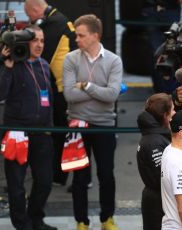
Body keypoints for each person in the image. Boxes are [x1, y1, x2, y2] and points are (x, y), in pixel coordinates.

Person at [0, 25, 57, 230]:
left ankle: (36, 219)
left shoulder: (45, 65)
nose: (39, 45)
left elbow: (50, 100)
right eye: (35, 40)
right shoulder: (13, 64)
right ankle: (22, 225)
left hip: (42, 133)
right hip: (17, 133)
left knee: (45, 181)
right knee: (16, 186)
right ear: (24, 42)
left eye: (42, 41)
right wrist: (7, 67)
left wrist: (50, 128)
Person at [62, 14, 122, 230]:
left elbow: (113, 95)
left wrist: (86, 86)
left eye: (81, 35)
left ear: (95, 36)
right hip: (78, 125)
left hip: (105, 125)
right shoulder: (71, 59)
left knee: (106, 174)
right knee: (79, 177)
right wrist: (100, 91)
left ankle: (107, 218)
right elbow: (69, 95)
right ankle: (81, 221)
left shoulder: (114, 60)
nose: (76, 39)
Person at [24, 0, 78, 187]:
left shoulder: (55, 24)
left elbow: (39, 55)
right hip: (62, 87)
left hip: (63, 90)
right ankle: (60, 175)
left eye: (29, 15)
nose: (29, 20)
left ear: (36, 10)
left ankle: (60, 176)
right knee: (61, 134)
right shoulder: (56, 20)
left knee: (61, 134)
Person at [137, 93, 175, 230]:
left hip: (155, 200)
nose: (174, 113)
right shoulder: (155, 141)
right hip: (159, 203)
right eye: (173, 110)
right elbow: (162, 177)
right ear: (165, 115)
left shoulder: (154, 136)